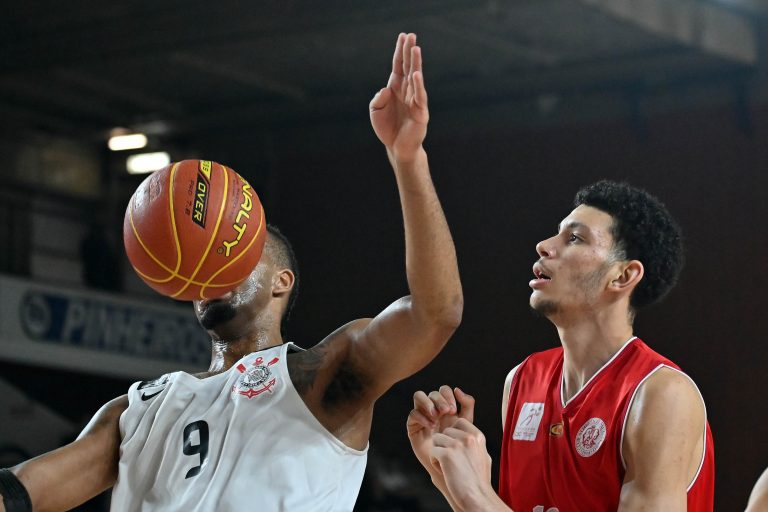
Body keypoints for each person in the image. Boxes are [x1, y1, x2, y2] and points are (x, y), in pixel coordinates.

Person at [0, 32, 463, 512]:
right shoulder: (137, 409)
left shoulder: (319, 379)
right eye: (210, 255)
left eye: (240, 253)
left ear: (282, 282)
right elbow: (23, 490)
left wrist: (408, 159)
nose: (217, 265)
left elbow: (436, 313)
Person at [407, 181, 714, 511]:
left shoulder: (660, 394)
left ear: (623, 276)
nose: (543, 246)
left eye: (575, 238)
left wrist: (476, 493)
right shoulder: (522, 380)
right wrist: (448, 475)